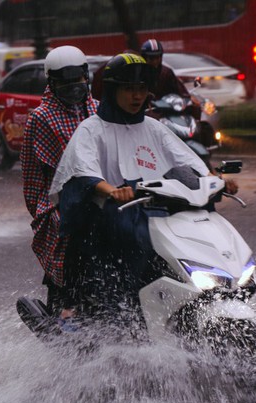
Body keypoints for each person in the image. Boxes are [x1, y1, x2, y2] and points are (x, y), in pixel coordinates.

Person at [49, 53, 233, 324]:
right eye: (128, 89)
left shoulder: (154, 127)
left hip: (157, 210)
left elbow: (186, 161)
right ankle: (120, 311)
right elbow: (82, 170)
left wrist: (215, 178)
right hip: (113, 215)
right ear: (112, 91)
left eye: (141, 89)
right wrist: (110, 190)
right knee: (129, 240)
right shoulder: (91, 129)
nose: (136, 96)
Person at [20, 45, 99, 318]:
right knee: (75, 233)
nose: (73, 87)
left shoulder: (98, 110)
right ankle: (68, 306)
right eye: (64, 82)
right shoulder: (40, 118)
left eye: (77, 80)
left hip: (104, 193)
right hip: (62, 202)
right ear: (51, 83)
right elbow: (41, 174)